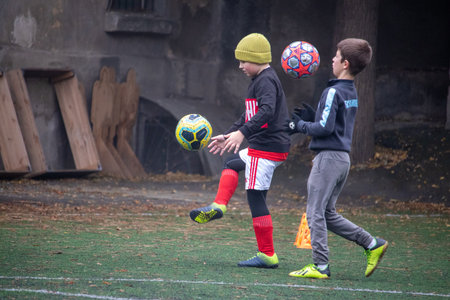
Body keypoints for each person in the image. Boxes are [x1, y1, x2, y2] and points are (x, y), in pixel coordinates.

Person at [287, 38, 388, 279]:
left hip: (329, 159)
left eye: (336, 55)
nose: (331, 59)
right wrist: (316, 117)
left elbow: (323, 128)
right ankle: (372, 243)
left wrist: (299, 125)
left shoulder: (332, 90)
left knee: (314, 213)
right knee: (327, 214)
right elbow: (334, 122)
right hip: (341, 158)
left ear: (345, 63)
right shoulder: (350, 90)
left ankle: (320, 266)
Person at [189, 33, 290, 269]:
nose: (240, 66)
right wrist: (231, 133)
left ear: (256, 59)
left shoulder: (265, 81)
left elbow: (266, 111)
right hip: (267, 146)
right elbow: (250, 115)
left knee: (256, 198)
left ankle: (267, 255)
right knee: (232, 163)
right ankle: (219, 206)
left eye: (244, 61)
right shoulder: (260, 79)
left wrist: (243, 134)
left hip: (266, 147)